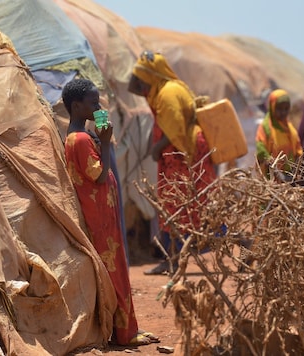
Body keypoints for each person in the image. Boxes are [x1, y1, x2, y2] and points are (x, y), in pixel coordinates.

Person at [61, 78, 159, 346]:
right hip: (100, 216)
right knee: (115, 273)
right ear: (77, 106)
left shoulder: (78, 135)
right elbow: (100, 176)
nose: (99, 106)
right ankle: (126, 333)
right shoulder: (80, 140)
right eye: (93, 103)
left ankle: (125, 328)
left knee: (114, 271)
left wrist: (99, 136)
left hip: (101, 213)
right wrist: (104, 143)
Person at [128, 50, 217, 275]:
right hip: (177, 156)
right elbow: (132, 88)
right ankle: (173, 260)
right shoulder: (164, 89)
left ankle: (236, 240)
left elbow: (175, 128)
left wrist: (156, 149)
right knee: (177, 206)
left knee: (180, 206)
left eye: (141, 76)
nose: (137, 82)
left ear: (152, 75)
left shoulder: (168, 93)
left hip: (181, 156)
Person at [255, 89, 303, 181]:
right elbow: (261, 150)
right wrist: (276, 171)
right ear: (272, 107)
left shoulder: (290, 128)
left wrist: (295, 171)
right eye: (279, 109)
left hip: (289, 178)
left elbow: (298, 150)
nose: (283, 112)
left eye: (286, 109)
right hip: (270, 179)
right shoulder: (266, 128)